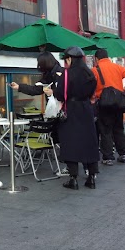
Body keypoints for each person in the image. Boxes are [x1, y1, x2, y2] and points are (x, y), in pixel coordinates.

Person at [46, 46, 99, 190]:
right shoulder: (90, 73)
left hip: (71, 110)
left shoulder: (67, 74)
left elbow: (61, 95)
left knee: (71, 143)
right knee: (89, 142)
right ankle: (91, 178)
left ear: (70, 59)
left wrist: (53, 91)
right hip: (86, 109)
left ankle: (73, 179)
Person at [91, 48, 125, 165]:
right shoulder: (117, 67)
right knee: (118, 128)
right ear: (108, 57)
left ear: (96, 59)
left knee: (105, 130)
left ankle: (108, 157)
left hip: (104, 103)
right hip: (118, 103)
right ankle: (123, 153)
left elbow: (91, 87)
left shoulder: (95, 70)